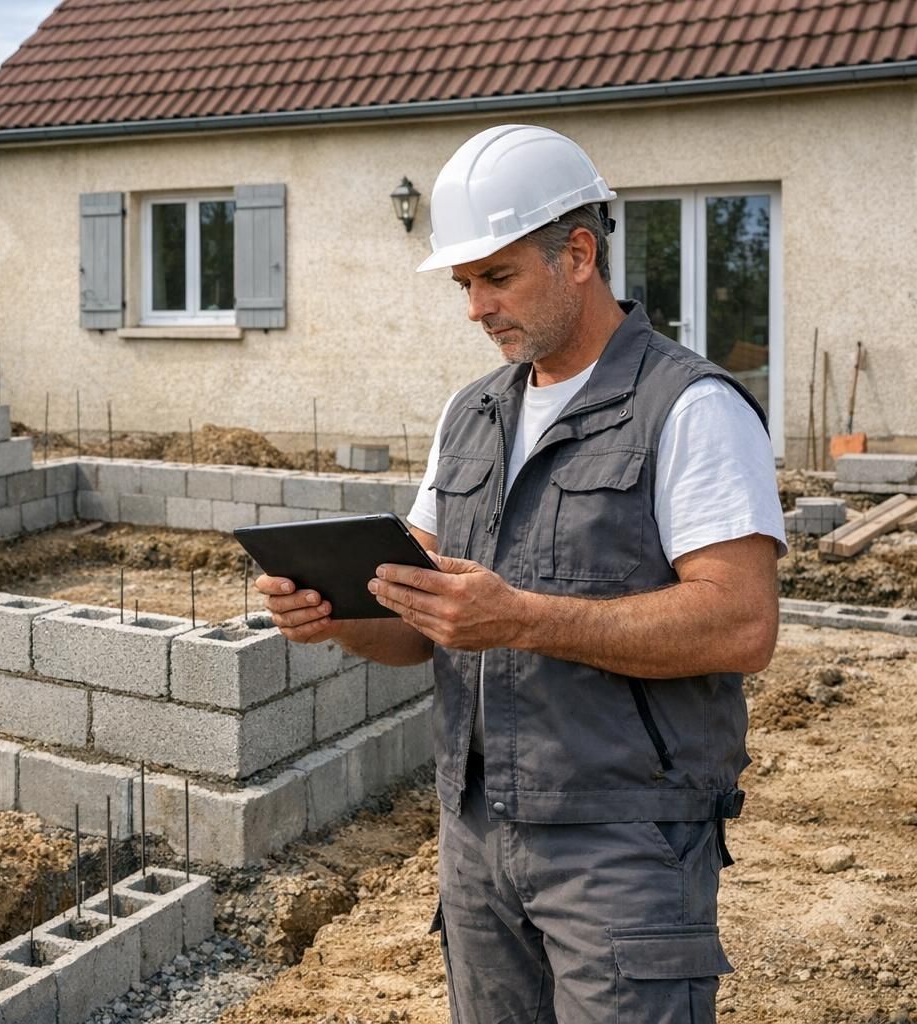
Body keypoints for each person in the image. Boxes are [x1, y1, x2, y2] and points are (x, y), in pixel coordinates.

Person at [257, 124, 785, 1023]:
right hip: (475, 837)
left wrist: (524, 619)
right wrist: (340, 614)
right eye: (465, 284)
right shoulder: (472, 415)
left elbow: (742, 625)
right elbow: (426, 627)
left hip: (624, 844)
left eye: (496, 277)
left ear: (578, 253)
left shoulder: (688, 408)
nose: (474, 308)